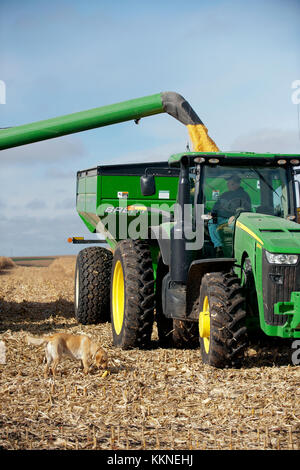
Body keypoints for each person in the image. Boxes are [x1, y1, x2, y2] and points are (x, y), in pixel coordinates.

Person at [208, 175, 251, 256]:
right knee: (211, 222)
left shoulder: (244, 195)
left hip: (236, 219)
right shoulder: (225, 195)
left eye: (231, 183)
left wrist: (236, 216)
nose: (228, 185)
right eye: (228, 183)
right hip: (221, 219)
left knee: (233, 227)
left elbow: (246, 210)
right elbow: (216, 207)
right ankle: (219, 247)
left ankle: (234, 250)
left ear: (237, 184)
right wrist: (212, 213)